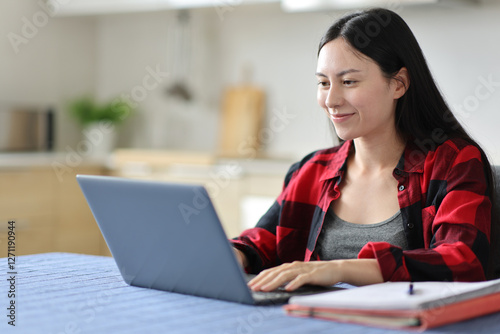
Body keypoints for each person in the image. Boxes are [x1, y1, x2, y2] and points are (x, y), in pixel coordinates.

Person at [231, 8, 497, 293]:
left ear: (398, 84)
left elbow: (462, 262)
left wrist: (338, 269)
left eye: (349, 82)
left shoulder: (453, 161)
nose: (330, 100)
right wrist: (233, 255)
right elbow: (262, 243)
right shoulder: (312, 170)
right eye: (323, 83)